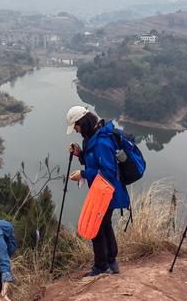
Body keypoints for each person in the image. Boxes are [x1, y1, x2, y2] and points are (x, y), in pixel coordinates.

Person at [65, 106, 129, 277]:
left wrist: (84, 174)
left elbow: (108, 171)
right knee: (104, 224)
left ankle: (101, 266)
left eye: (76, 127)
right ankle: (111, 262)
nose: (77, 131)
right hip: (101, 191)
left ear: (82, 123)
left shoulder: (101, 141)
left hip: (108, 192)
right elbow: (92, 160)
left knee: (96, 227)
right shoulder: (91, 137)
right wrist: (80, 153)